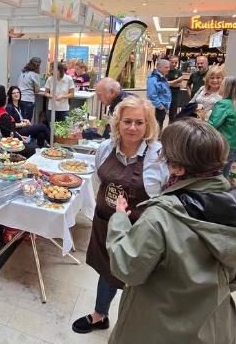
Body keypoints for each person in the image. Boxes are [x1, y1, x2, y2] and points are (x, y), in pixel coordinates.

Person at [106, 118, 236, 344]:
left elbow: (127, 268)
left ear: (178, 168)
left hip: (156, 327)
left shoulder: (162, 217)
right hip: (213, 327)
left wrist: (120, 220)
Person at [71, 97, 169, 334]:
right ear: (117, 123)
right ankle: (100, 315)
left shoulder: (159, 156)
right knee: (108, 270)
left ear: (148, 125)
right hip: (105, 224)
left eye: (139, 122)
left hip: (140, 230)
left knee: (139, 280)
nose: (133, 128)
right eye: (127, 121)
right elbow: (100, 180)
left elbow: (165, 196)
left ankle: (133, 327)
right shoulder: (105, 148)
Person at [210, 77, 236, 178]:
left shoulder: (223, 104)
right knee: (224, 174)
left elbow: (211, 125)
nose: (219, 86)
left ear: (227, 88)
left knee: (215, 176)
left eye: (222, 85)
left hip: (224, 146)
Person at [146, 59, 171, 131]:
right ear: (159, 67)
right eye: (166, 67)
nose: (168, 69)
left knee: (159, 126)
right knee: (155, 128)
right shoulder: (153, 78)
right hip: (157, 109)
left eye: (168, 67)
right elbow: (151, 95)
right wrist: (160, 106)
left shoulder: (161, 77)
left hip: (162, 107)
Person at [17, 57, 42, 122]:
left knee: (21, 120)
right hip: (28, 100)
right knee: (27, 122)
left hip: (20, 98)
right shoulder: (34, 74)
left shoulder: (23, 72)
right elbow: (37, 90)